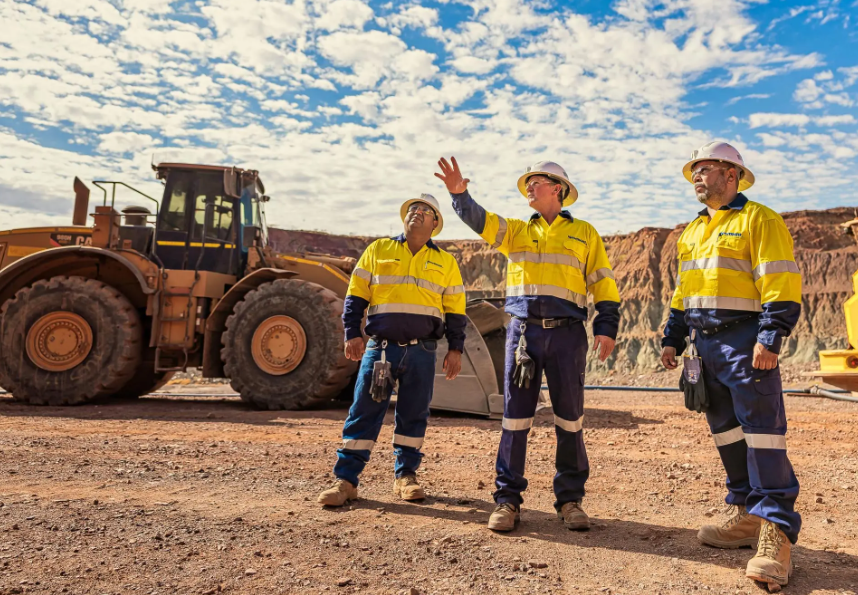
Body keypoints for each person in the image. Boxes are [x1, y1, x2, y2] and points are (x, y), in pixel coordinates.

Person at [435, 157, 620, 532]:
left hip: (568, 335)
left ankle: (570, 500)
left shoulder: (585, 233)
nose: (529, 189)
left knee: (570, 420)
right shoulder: (517, 230)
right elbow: (480, 219)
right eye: (528, 183)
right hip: (523, 335)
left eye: (535, 183)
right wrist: (459, 194)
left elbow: (603, 282)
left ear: (558, 189)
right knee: (515, 418)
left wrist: (607, 326)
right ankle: (507, 501)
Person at [661, 141, 802, 589]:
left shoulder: (759, 219)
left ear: (732, 174)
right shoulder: (691, 232)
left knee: (763, 435)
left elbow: (780, 279)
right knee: (726, 432)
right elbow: (684, 293)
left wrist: (770, 335)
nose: (697, 177)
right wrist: (673, 337)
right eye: (695, 171)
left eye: (705, 169)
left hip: (745, 341)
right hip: (704, 347)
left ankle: (775, 530)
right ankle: (745, 515)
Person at [317, 194, 467, 506]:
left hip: (422, 351)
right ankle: (345, 481)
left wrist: (456, 348)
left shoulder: (446, 262)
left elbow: (455, 310)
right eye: (413, 209)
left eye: (425, 211)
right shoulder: (378, 250)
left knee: (414, 414)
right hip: (380, 350)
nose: (417, 213)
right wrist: (351, 334)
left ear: (435, 223)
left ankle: (406, 477)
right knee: (364, 412)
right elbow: (356, 296)